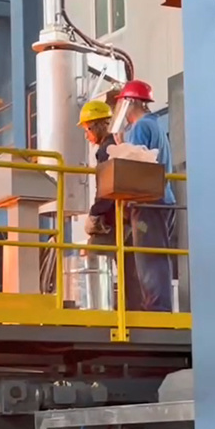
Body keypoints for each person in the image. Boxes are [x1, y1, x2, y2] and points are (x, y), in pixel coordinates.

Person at [114, 79, 176, 312]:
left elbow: (135, 164)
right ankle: (159, 304)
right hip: (162, 199)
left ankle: (157, 307)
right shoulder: (155, 125)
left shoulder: (140, 127)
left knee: (148, 256)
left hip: (147, 202)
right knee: (156, 252)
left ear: (132, 102)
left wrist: (120, 147)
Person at [79, 100, 142, 310]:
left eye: (87, 130)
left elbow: (106, 189)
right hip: (128, 215)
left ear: (97, 125)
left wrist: (95, 215)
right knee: (129, 268)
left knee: (93, 259)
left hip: (111, 219)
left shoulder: (106, 150)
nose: (87, 136)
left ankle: (96, 310)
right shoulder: (118, 144)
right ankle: (134, 311)